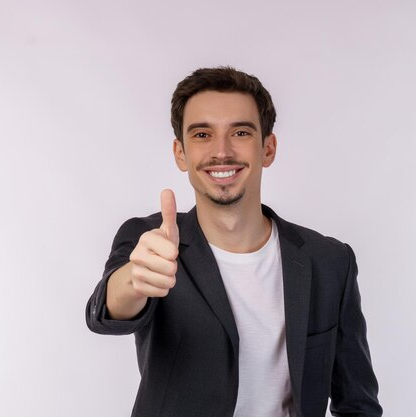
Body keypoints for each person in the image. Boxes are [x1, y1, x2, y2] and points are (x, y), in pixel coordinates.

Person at [86, 67, 382, 417]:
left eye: (240, 132)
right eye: (202, 134)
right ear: (180, 153)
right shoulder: (151, 242)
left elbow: (358, 402)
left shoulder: (329, 260)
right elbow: (107, 311)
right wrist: (134, 280)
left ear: (267, 148)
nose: (221, 152)